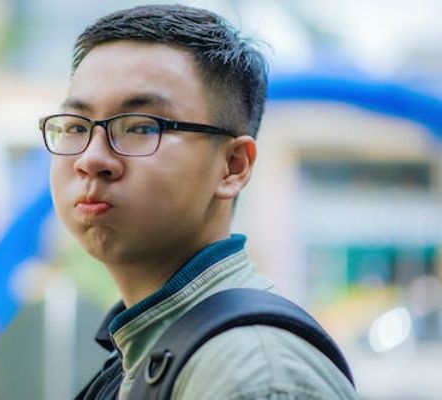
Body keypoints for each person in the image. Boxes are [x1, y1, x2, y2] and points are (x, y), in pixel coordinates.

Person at [40, 4, 359, 399]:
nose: (91, 159)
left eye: (141, 127)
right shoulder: (141, 348)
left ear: (233, 166)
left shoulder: (254, 376)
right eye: (76, 126)